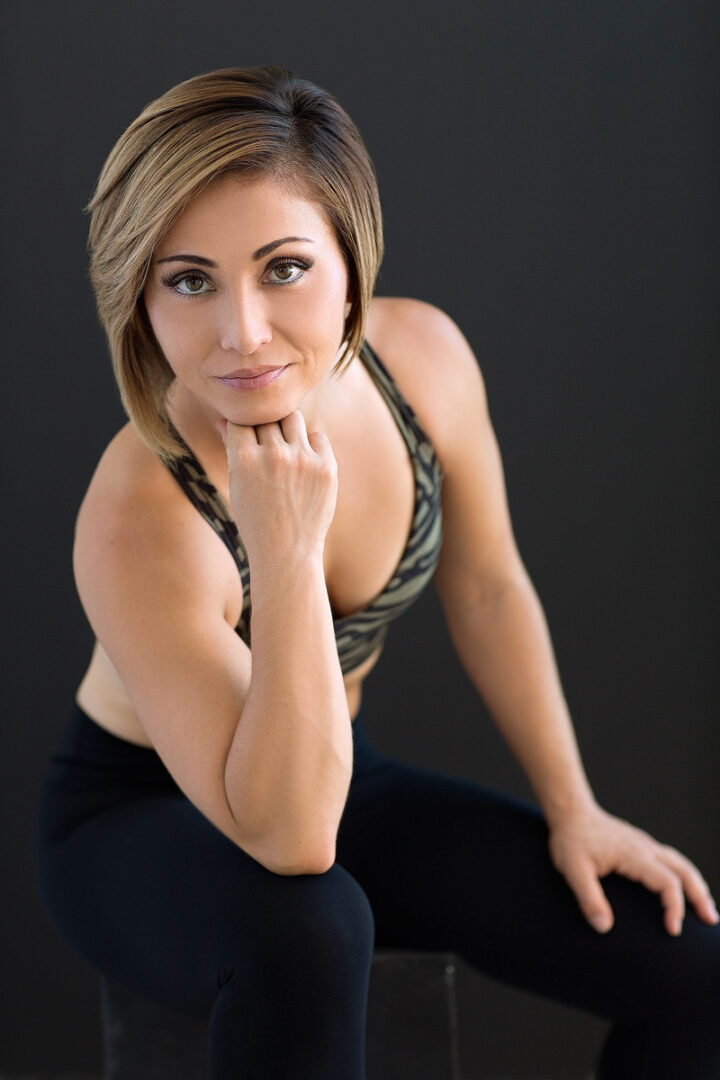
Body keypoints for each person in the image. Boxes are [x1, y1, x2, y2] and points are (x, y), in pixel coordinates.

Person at [34, 65, 719, 1079]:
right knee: (311, 927)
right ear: (140, 297)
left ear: (351, 260)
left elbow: (487, 588)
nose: (243, 333)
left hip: (332, 765)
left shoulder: (424, 361)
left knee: (687, 958)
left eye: (283, 268)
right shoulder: (141, 516)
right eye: (190, 280)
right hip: (136, 818)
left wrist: (575, 807)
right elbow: (296, 837)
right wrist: (284, 545)